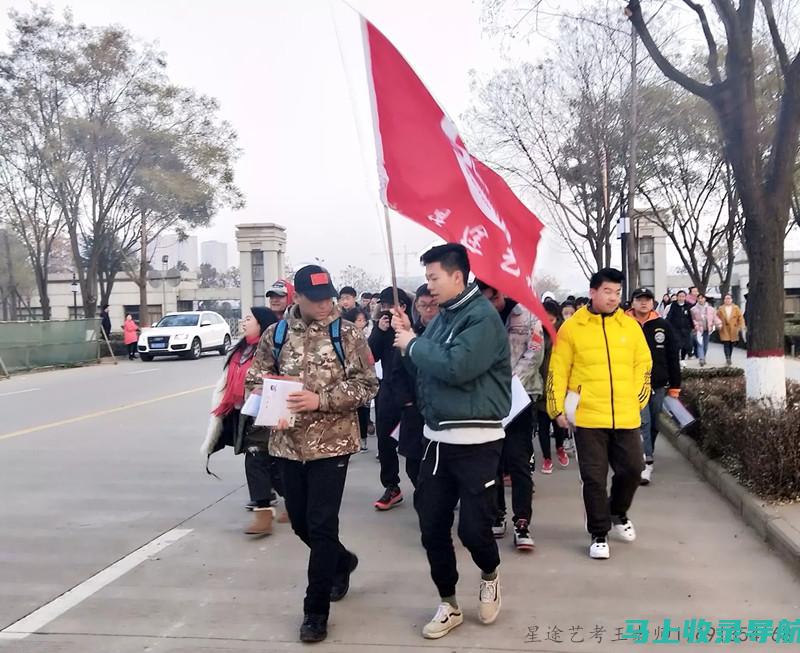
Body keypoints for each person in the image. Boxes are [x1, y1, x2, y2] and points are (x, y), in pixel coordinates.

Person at [246, 264, 379, 643]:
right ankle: (343, 561)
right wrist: (264, 399)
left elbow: (368, 385)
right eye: (315, 299)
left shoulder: (347, 334)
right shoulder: (277, 333)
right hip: (287, 445)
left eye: (328, 298)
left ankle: (315, 611)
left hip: (332, 444)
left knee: (321, 526)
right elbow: (257, 377)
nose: (324, 305)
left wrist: (320, 400)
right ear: (298, 298)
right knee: (302, 523)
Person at [392, 243, 511, 639]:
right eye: (426, 279)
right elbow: (428, 368)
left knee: (473, 530)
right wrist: (408, 338)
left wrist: (413, 343)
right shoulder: (443, 317)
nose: (429, 287)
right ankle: (449, 603)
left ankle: (490, 574)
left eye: (434, 278)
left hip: (477, 440)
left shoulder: (482, 318)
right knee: (432, 527)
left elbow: (457, 367)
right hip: (436, 440)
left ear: (457, 276)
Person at [547, 268, 651, 560]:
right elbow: (558, 370)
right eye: (607, 291)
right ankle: (599, 532)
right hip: (588, 416)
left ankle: (618, 512)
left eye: (617, 292)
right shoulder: (572, 328)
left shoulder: (629, 327)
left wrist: (639, 396)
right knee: (593, 477)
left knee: (632, 469)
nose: (613, 297)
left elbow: (642, 364)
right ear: (593, 292)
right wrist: (557, 407)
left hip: (626, 415)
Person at [201, 307, 286, 535]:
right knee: (269, 461)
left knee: (257, 457)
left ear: (262, 324)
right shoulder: (240, 349)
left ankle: (263, 511)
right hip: (243, 412)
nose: (243, 322)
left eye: (249, 319)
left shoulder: (271, 350)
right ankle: (293, 498)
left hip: (266, 412)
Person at [477, 279, 543, 552]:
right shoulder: (476, 317)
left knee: (518, 462)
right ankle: (496, 514)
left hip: (520, 397)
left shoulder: (527, 314)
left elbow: (536, 350)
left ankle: (522, 521)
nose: (489, 305)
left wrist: (511, 381)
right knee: (491, 460)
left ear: (501, 291)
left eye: (492, 298)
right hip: (488, 400)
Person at [626, 289, 681, 485]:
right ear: (632, 302)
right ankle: (645, 462)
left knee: (654, 423)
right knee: (644, 422)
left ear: (653, 303)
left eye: (647, 300)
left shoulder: (662, 325)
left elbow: (672, 356)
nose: (643, 303)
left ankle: (645, 451)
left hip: (658, 384)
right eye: (639, 300)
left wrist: (675, 386)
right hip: (632, 385)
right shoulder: (623, 324)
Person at [392, 284, 440, 494]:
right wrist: (406, 401)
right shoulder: (407, 333)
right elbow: (397, 372)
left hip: (438, 407)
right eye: (423, 305)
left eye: (434, 305)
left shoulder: (445, 332)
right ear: (417, 307)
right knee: (413, 460)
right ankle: (423, 493)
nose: (429, 310)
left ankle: (434, 497)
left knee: (436, 460)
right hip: (413, 406)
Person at [369, 287, 413, 510]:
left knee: (416, 445)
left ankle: (428, 487)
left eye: (390, 305)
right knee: (385, 442)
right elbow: (370, 356)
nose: (386, 310)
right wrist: (378, 331)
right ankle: (391, 486)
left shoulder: (413, 328)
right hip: (387, 393)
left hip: (412, 396)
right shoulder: (381, 329)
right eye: (383, 306)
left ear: (403, 307)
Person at [537, 300, 568, 474]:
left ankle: (560, 447)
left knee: (558, 423)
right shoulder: (537, 331)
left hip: (558, 384)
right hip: (541, 384)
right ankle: (547, 458)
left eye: (551, 318)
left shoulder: (564, 332)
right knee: (542, 425)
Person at [343, 307, 374, 452]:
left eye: (363, 320)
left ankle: (363, 439)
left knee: (363, 412)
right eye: (358, 320)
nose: (361, 323)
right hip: (346, 381)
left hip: (363, 381)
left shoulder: (369, 335)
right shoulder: (343, 335)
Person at [691, 294, 720, 367]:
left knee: (705, 345)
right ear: (697, 299)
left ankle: (703, 357)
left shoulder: (710, 309)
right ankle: (701, 359)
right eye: (699, 298)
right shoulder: (693, 309)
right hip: (698, 330)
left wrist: (718, 324)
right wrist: (696, 325)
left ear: (705, 299)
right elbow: (692, 319)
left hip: (708, 329)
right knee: (700, 344)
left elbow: (714, 318)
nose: (700, 300)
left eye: (702, 298)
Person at [717, 293, 745, 366]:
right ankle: (727, 358)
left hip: (733, 329)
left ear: (731, 300)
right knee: (726, 343)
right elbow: (717, 318)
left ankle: (730, 356)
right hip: (724, 328)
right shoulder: (720, 308)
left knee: (731, 344)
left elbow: (740, 318)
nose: (727, 300)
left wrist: (740, 326)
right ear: (724, 300)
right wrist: (718, 324)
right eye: (726, 298)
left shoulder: (736, 308)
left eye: (729, 298)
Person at [667, 291, 694, 361]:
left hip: (686, 328)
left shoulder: (688, 305)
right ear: (677, 297)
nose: (681, 298)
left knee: (686, 345)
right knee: (678, 344)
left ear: (685, 297)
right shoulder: (673, 305)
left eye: (683, 296)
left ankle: (682, 359)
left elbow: (691, 317)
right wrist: (667, 324)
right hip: (676, 328)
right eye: (680, 296)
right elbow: (670, 315)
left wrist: (693, 326)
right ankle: (676, 358)